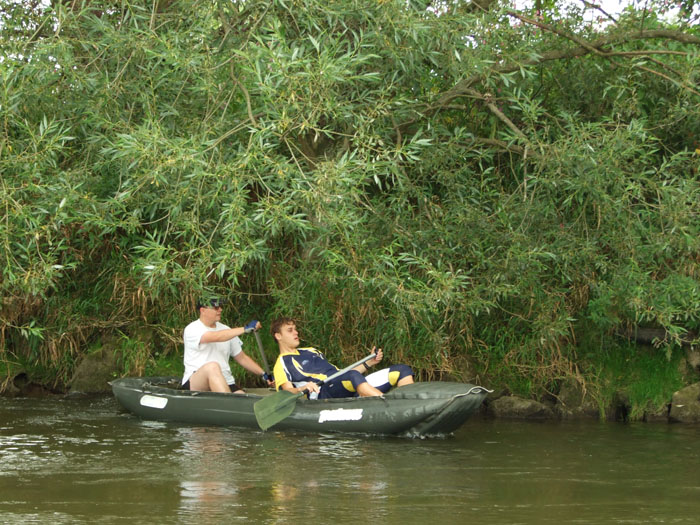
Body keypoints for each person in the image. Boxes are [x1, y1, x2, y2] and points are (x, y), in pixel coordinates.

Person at [270, 317, 414, 399]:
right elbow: (287, 391)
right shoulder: (282, 362)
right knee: (352, 375)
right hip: (323, 392)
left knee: (402, 370)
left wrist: (369, 363)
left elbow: (341, 375)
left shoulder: (312, 351)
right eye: (290, 330)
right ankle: (387, 404)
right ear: (278, 336)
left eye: (295, 329)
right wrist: (305, 387)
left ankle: (412, 404)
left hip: (341, 383)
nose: (296, 332)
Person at [182, 297, 274, 393]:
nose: (220, 310)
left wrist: (263, 374)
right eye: (216, 307)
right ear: (203, 310)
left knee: (241, 395)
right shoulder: (192, 328)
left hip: (226, 381)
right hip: (197, 382)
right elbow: (216, 337)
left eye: (221, 307)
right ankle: (228, 400)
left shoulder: (226, 329)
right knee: (212, 367)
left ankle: (228, 399)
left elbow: (241, 357)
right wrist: (245, 329)